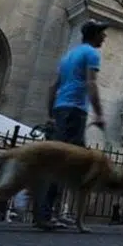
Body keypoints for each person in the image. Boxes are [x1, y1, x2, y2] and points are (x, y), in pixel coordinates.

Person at [38, 19, 108, 230]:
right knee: (65, 162)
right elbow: (91, 83)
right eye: (102, 33)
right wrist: (99, 113)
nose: (105, 37)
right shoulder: (91, 53)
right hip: (75, 112)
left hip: (61, 109)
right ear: (94, 35)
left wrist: (50, 114)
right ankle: (46, 214)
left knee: (69, 163)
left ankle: (55, 212)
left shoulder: (68, 56)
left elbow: (53, 87)